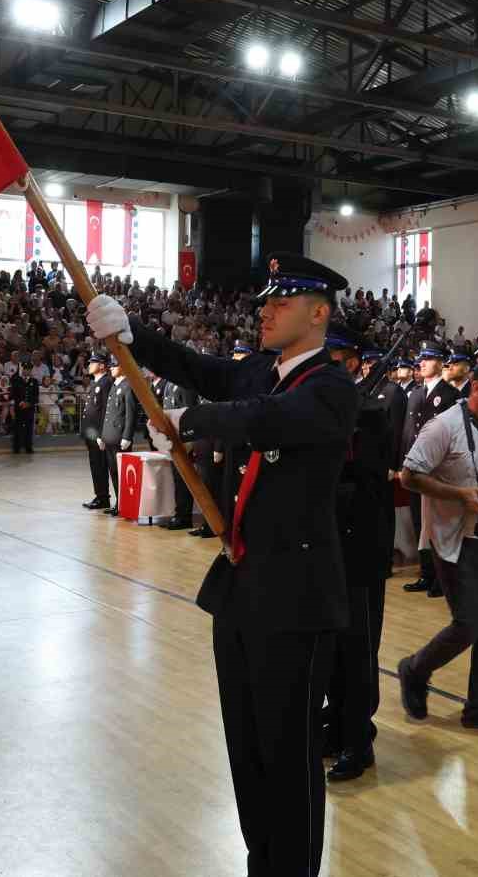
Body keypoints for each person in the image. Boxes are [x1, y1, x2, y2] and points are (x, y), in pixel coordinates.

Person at [87, 252, 358, 877]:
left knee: (289, 754)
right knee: (248, 746)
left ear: (318, 314)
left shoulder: (329, 386)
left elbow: (270, 419)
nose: (264, 310)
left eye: (280, 302)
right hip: (241, 588)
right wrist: (134, 335)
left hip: (295, 598)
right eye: (265, 301)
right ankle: (261, 861)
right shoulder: (264, 371)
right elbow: (203, 370)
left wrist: (189, 420)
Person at [397, 359, 478, 734]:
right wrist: (458, 495)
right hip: (456, 541)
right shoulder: (443, 426)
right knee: (469, 624)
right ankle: (415, 669)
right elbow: (409, 476)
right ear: (477, 388)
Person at [323, 326, 403, 782]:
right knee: (332, 648)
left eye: (336, 358)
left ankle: (359, 738)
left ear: (354, 362)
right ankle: (335, 727)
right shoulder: (328, 407)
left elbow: (368, 486)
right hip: (328, 550)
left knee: (358, 649)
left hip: (359, 550)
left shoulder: (371, 411)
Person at [402, 345, 458, 597]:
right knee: (419, 521)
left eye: (428, 359)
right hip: (416, 466)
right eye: (421, 359)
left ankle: (441, 577)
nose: (422, 363)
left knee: (438, 523)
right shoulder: (415, 394)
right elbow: (407, 433)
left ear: (440, 362)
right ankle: (426, 572)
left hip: (437, 468)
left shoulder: (448, 394)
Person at [154, 372, 201, 531]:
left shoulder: (185, 385)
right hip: (172, 438)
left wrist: (188, 441)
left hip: (182, 440)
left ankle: (184, 516)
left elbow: (189, 413)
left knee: (183, 480)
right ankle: (179, 513)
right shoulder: (169, 383)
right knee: (177, 478)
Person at [100, 357, 138, 517]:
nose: (111, 369)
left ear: (122, 367)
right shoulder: (114, 386)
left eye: (115, 366)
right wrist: (102, 435)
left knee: (122, 474)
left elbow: (131, 414)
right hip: (109, 436)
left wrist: (127, 436)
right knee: (113, 472)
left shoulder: (128, 387)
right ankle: (119, 503)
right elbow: (107, 413)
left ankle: (125, 504)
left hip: (119, 437)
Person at [81, 354, 112, 510]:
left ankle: (103, 497)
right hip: (91, 433)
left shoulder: (106, 382)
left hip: (98, 433)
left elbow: (106, 409)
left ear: (101, 365)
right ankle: (100, 496)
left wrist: (101, 434)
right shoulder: (97, 382)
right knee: (95, 465)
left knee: (100, 465)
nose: (89, 365)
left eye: (93, 362)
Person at [9, 362, 38, 454]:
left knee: (29, 428)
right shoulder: (16, 380)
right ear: (22, 369)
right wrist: (20, 402)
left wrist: (29, 403)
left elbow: (36, 396)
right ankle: (16, 447)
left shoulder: (34, 381)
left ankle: (28, 447)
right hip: (19, 407)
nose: (27, 371)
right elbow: (13, 393)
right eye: (25, 369)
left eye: (29, 369)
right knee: (17, 428)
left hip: (29, 408)